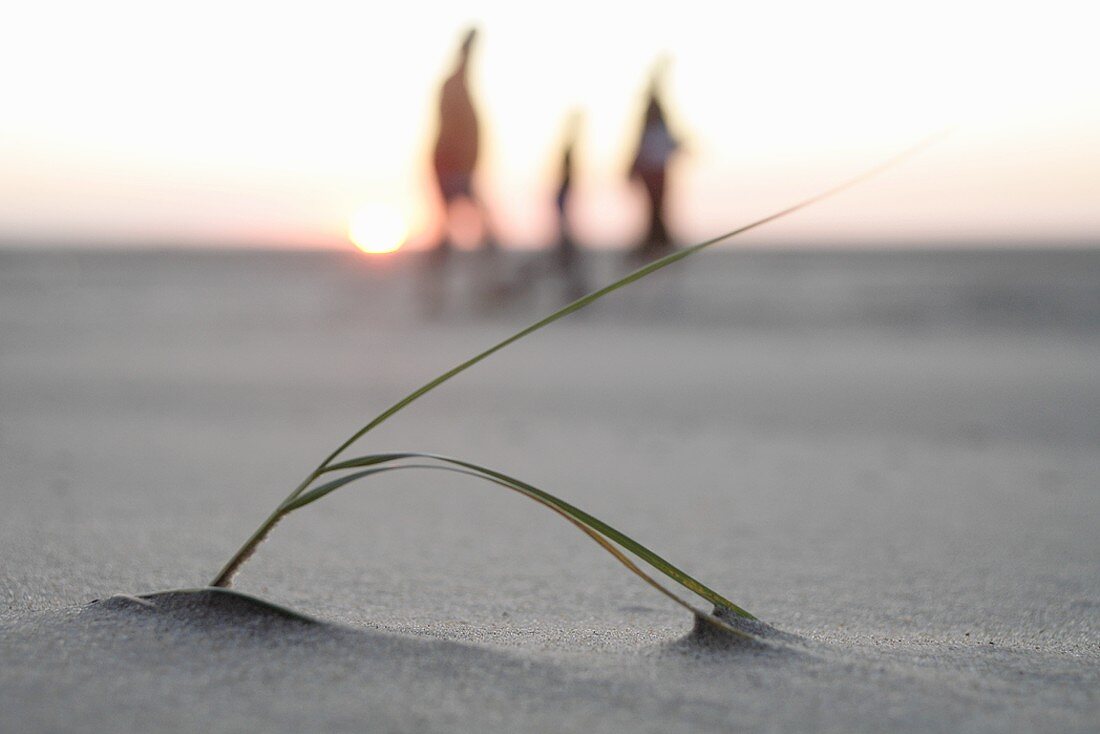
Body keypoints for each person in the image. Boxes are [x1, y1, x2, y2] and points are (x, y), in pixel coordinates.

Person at [430, 27, 495, 261]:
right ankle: (494, 269)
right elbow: (451, 130)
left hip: (458, 165)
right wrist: (457, 166)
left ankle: (436, 275)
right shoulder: (453, 86)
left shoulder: (460, 87)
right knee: (457, 220)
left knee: (451, 222)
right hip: (452, 165)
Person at [627, 60, 681, 263]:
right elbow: (640, 148)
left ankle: (658, 246)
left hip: (656, 171)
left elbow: (670, 144)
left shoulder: (657, 128)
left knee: (657, 209)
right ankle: (655, 247)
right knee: (654, 209)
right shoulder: (649, 128)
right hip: (651, 172)